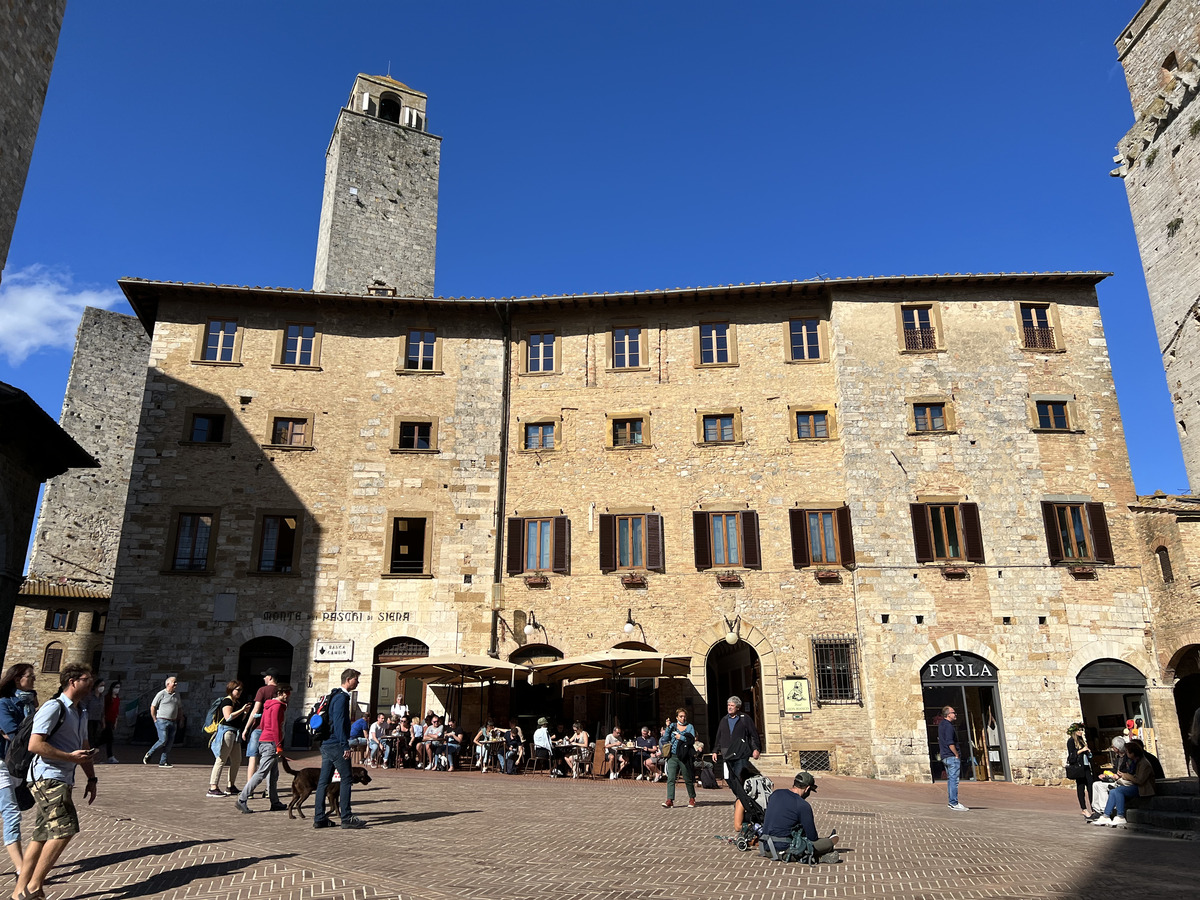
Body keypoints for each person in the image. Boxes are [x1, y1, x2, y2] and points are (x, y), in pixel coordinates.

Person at [14, 663, 98, 900]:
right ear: (73, 681)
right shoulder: (54, 707)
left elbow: (83, 747)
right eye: (87, 678)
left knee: (42, 833)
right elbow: (35, 745)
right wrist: (69, 757)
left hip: (62, 778)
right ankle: (34, 887)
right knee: (65, 829)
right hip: (47, 777)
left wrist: (91, 777)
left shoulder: (81, 711)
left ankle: (18, 892)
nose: (91, 683)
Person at [313, 669, 367, 829]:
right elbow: (338, 723)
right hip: (336, 744)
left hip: (326, 744)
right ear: (349, 680)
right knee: (346, 778)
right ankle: (346, 817)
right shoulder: (341, 698)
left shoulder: (334, 695)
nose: (357, 682)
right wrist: (345, 745)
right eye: (356, 679)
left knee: (323, 781)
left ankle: (319, 817)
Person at [0, 663, 38, 878]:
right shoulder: (4, 704)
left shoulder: (31, 705)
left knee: (7, 809)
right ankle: (21, 868)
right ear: (17, 679)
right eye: (30, 677)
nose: (33, 680)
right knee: (11, 813)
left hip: (19, 766)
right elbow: (16, 736)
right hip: (2, 763)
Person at [760, 772, 840, 862]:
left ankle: (819, 857)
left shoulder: (776, 794)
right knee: (826, 843)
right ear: (807, 788)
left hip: (766, 847)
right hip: (785, 851)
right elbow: (812, 837)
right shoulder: (802, 805)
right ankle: (827, 845)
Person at [236, 683, 290, 813]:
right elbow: (276, 727)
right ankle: (242, 798)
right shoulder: (278, 707)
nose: (288, 697)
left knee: (273, 774)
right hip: (271, 742)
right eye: (287, 694)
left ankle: (275, 802)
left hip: (264, 739)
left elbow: (264, 723)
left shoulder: (268, 705)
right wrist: (279, 745)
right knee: (261, 773)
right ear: (281, 693)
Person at [712, 695, 761, 827]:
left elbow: (753, 734)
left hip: (741, 753)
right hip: (727, 754)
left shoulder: (745, 719)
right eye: (728, 705)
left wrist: (756, 748)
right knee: (728, 778)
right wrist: (715, 750)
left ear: (737, 707)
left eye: (732, 705)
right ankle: (739, 797)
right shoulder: (724, 720)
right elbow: (719, 735)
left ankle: (744, 800)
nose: (729, 707)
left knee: (741, 777)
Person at [1092, 738, 1156, 827]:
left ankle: (1120, 816)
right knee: (1113, 791)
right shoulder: (1136, 761)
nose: (1126, 753)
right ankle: (1106, 815)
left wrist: (1125, 775)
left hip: (1143, 789)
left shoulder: (1144, 763)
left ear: (1133, 753)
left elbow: (1140, 780)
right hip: (1136, 786)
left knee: (1119, 790)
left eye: (1128, 752)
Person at [208, 681, 250, 797]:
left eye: (241, 690)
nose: (240, 692)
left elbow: (239, 720)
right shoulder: (227, 701)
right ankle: (213, 787)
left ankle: (230, 786)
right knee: (221, 759)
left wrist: (245, 713)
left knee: (237, 760)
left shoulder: (236, 702)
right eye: (237, 690)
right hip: (226, 732)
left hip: (234, 732)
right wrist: (242, 710)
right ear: (231, 690)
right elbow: (228, 717)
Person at [240, 667, 279, 793]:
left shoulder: (262, 690)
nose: (263, 678)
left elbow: (255, 710)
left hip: (259, 727)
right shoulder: (281, 691)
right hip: (273, 730)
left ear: (270, 677)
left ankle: (249, 790)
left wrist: (246, 728)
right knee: (269, 760)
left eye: (265, 676)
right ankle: (269, 790)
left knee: (253, 757)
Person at [660, 707, 697, 809]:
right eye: (681, 716)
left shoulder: (690, 727)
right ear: (676, 717)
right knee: (671, 778)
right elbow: (665, 739)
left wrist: (682, 738)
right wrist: (667, 728)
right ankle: (670, 800)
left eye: (684, 716)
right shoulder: (672, 726)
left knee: (687, 778)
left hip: (684, 756)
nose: (683, 718)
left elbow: (692, 740)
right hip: (673, 755)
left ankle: (692, 798)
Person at [143, 675, 182, 768]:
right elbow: (153, 706)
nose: (176, 684)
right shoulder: (161, 694)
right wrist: (155, 719)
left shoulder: (177, 695)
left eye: (176, 682)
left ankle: (163, 761)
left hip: (173, 721)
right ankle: (149, 753)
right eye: (174, 682)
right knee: (163, 740)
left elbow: (180, 707)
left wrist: (181, 719)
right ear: (168, 684)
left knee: (169, 743)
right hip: (162, 720)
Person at [938, 706, 969, 811]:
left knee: (951, 780)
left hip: (945, 756)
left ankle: (952, 802)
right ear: (948, 714)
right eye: (953, 713)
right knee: (954, 780)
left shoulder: (941, 725)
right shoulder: (949, 726)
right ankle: (953, 802)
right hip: (951, 757)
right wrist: (956, 754)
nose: (955, 714)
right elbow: (950, 742)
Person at [1066, 722, 1092, 818]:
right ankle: (1084, 809)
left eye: (1082, 730)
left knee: (1090, 786)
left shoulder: (1081, 740)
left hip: (1086, 766)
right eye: (1079, 730)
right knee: (1081, 787)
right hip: (1078, 768)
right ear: (1075, 732)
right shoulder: (1071, 741)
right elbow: (1072, 756)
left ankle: (1093, 807)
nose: (1081, 732)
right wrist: (1082, 750)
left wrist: (1088, 751)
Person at [100, 680, 121, 763]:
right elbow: (104, 710)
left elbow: (116, 711)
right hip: (107, 720)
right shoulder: (107, 698)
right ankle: (110, 756)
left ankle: (94, 747)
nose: (117, 689)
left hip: (112, 720)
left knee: (104, 739)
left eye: (119, 688)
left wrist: (116, 722)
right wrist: (103, 721)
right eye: (116, 687)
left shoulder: (117, 699)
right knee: (109, 739)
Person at [86, 679, 105, 748]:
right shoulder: (90, 696)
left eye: (103, 685)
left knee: (96, 737)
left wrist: (103, 721)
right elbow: (85, 707)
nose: (102, 687)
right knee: (90, 737)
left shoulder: (102, 697)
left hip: (98, 719)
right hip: (89, 719)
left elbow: (102, 710)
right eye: (101, 685)